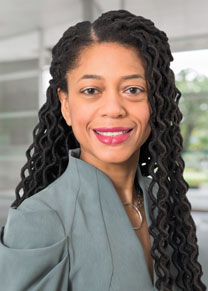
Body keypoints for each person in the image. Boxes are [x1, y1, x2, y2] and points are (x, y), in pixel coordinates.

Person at [0, 9, 206, 291]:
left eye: (133, 89)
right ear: (66, 105)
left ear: (155, 103)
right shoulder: (40, 219)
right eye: (91, 90)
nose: (113, 110)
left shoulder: (162, 201)